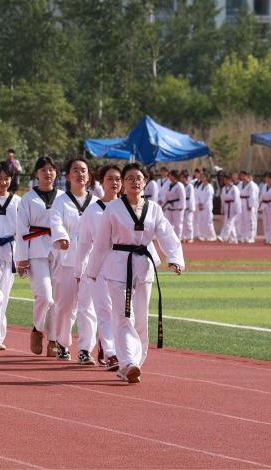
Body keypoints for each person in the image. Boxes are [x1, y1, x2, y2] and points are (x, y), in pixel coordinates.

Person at [85, 162, 184, 384]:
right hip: (118, 266)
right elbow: (101, 243)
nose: (134, 182)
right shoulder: (113, 209)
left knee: (141, 318)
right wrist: (93, 269)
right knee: (122, 316)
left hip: (143, 266)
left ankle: (132, 364)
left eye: (138, 178)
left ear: (145, 182)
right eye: (129, 178)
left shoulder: (154, 208)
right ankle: (129, 362)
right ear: (123, 183)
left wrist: (175, 258)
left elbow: (166, 234)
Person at [14, 156, 70, 357]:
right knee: (45, 296)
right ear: (36, 173)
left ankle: (53, 339)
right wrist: (21, 258)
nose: (48, 173)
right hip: (36, 249)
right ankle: (37, 329)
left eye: (51, 169)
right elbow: (21, 229)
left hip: (60, 250)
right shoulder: (28, 198)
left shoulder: (64, 197)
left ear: (56, 173)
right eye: (44, 169)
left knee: (58, 298)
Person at [48, 158, 98, 362]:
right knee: (65, 305)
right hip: (67, 258)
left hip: (91, 260)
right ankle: (62, 342)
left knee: (88, 307)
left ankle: (85, 349)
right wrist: (62, 237)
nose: (80, 174)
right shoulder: (60, 201)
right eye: (75, 170)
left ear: (89, 175)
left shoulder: (96, 203)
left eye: (83, 170)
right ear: (68, 176)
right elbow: (55, 222)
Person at [73, 164, 121, 369]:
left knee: (121, 312)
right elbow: (84, 242)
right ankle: (111, 353)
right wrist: (79, 269)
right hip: (99, 265)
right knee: (103, 309)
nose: (114, 183)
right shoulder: (92, 210)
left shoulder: (128, 208)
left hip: (123, 265)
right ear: (102, 182)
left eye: (118, 179)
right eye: (110, 179)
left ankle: (109, 344)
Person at [0, 161, 21, 351]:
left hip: (8, 251)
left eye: (7, 178)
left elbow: (22, 230)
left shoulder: (17, 202)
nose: (3, 182)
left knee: (3, 294)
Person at [193, 169, 216, 241]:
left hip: (207, 206)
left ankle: (212, 236)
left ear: (207, 178)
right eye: (202, 177)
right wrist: (198, 203)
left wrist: (202, 204)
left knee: (208, 221)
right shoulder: (200, 186)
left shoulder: (209, 187)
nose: (202, 178)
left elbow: (208, 197)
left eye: (204, 177)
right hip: (199, 206)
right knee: (201, 221)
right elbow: (196, 195)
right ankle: (202, 235)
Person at [218, 173, 241, 244]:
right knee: (229, 223)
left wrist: (237, 209)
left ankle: (223, 237)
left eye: (226, 180)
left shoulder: (235, 188)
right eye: (224, 180)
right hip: (226, 206)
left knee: (229, 223)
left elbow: (237, 200)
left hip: (233, 207)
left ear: (230, 180)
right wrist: (222, 209)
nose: (225, 181)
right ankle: (234, 239)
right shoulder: (224, 188)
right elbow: (222, 199)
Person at [239, 170, 259, 243]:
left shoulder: (252, 185)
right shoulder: (240, 184)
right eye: (242, 176)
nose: (243, 178)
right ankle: (243, 236)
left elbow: (253, 196)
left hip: (249, 204)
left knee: (251, 220)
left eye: (245, 176)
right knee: (243, 220)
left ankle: (251, 237)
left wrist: (250, 205)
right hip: (242, 202)